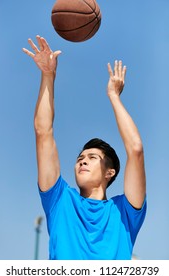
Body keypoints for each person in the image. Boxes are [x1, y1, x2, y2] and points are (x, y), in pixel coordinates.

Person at [23, 35, 146, 260]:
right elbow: (43, 132)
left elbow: (135, 149)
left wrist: (113, 96)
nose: (82, 160)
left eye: (92, 157)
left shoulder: (125, 213)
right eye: (80, 157)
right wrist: (48, 75)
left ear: (110, 172)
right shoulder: (60, 200)